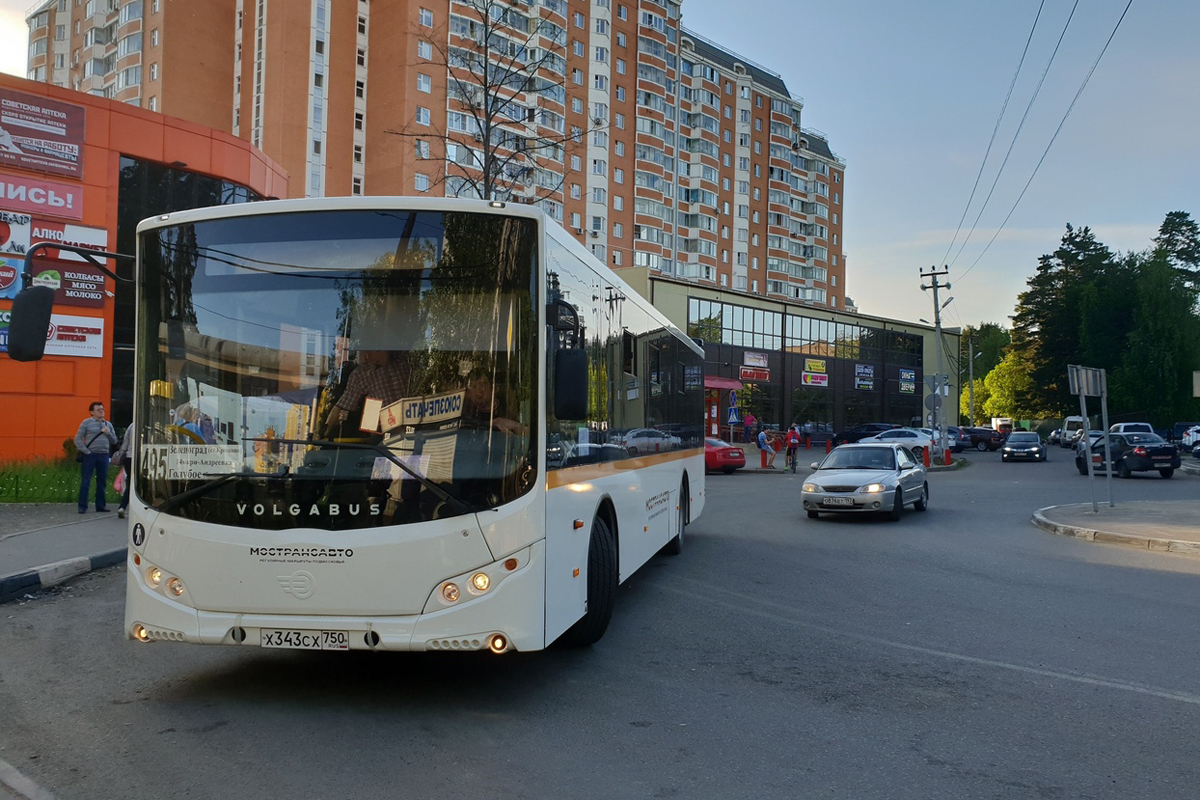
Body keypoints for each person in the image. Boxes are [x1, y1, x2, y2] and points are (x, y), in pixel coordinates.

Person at [324, 349, 413, 435]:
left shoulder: (408, 361)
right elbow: (342, 404)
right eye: (366, 352)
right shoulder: (362, 374)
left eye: (376, 350)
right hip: (384, 431)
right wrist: (325, 431)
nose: (368, 356)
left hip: (414, 423)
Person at [74, 401, 118, 513]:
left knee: (102, 481)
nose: (101, 411)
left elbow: (114, 441)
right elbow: (78, 439)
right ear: (92, 412)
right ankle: (82, 506)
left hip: (103, 455)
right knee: (86, 481)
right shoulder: (86, 423)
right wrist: (86, 452)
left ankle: (101, 506)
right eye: (98, 409)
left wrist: (108, 433)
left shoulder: (108, 424)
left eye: (102, 409)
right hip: (90, 455)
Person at [111, 424, 134, 518]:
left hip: (129, 457)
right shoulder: (151, 425)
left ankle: (122, 507)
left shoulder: (132, 426)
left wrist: (121, 454)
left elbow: (125, 443)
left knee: (130, 484)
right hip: (143, 457)